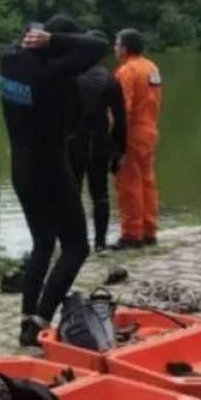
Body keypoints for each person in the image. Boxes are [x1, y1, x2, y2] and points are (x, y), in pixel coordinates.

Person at [0, 15, 108, 346]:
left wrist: (43, 38)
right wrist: (56, 41)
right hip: (51, 167)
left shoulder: (8, 62)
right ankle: (40, 319)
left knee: (43, 243)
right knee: (77, 246)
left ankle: (26, 320)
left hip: (21, 166)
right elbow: (98, 46)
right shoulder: (52, 73)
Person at [68, 30, 127, 252]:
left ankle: (74, 241)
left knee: (72, 192)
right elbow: (121, 119)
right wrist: (119, 150)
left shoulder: (70, 75)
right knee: (100, 194)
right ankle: (100, 243)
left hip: (73, 142)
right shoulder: (110, 79)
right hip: (100, 141)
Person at [112, 29, 163, 250]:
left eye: (116, 44)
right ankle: (149, 230)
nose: (114, 48)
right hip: (150, 129)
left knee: (129, 184)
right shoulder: (152, 67)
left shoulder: (126, 72)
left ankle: (132, 234)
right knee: (147, 182)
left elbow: (122, 109)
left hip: (132, 133)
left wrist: (114, 137)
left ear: (124, 48)